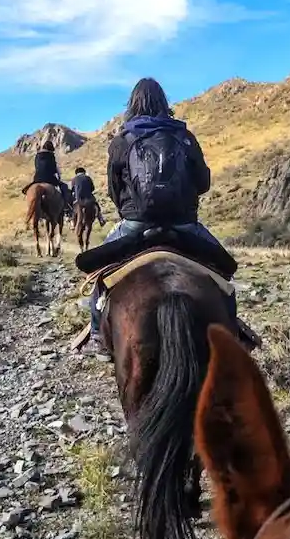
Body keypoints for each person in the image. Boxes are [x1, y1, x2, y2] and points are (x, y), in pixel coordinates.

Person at [85, 76, 238, 344]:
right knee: (225, 275)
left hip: (136, 225)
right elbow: (203, 183)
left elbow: (113, 191)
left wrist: (132, 209)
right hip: (184, 225)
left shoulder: (121, 141)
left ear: (132, 105)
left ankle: (97, 334)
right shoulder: (184, 136)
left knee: (100, 278)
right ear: (164, 103)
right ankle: (233, 332)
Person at [21, 140, 74, 216]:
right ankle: (67, 207)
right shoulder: (51, 155)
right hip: (49, 178)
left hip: (37, 179)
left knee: (26, 190)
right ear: (51, 148)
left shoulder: (37, 156)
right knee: (64, 187)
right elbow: (54, 168)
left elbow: (37, 167)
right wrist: (58, 176)